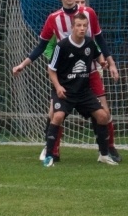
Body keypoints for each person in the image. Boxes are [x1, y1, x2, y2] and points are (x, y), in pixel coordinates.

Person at [12, 0, 121, 162]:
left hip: (90, 71)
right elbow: (41, 46)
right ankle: (51, 150)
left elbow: (99, 40)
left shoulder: (89, 13)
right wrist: (23, 64)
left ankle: (108, 149)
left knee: (104, 112)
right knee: (54, 114)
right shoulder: (54, 18)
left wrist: (111, 63)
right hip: (65, 75)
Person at [43, 13, 119, 167]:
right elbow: (51, 70)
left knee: (103, 116)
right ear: (72, 27)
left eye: (84, 26)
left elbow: (98, 56)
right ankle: (49, 156)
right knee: (57, 117)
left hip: (83, 91)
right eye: (78, 25)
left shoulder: (90, 43)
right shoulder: (62, 46)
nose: (82, 28)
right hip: (65, 91)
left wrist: (103, 63)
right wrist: (58, 87)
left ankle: (103, 155)